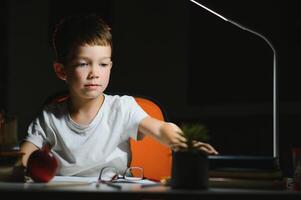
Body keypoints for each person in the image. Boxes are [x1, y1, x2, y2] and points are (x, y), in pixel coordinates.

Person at [20, 14, 218, 177]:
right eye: (83, 64)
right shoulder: (50, 116)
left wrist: (186, 143)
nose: (94, 73)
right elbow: (23, 157)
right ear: (61, 71)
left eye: (103, 64)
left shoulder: (122, 108)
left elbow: (160, 129)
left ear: (110, 66)